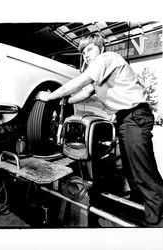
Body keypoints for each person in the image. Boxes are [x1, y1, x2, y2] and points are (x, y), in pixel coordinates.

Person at [36, 34, 163, 227]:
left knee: (142, 169)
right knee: (130, 169)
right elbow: (85, 92)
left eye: (89, 49)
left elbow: (82, 81)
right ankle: (140, 206)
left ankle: (155, 217)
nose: (86, 54)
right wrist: (64, 100)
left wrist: (50, 96)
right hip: (125, 119)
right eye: (83, 52)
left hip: (135, 116)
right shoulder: (100, 72)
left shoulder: (107, 58)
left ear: (100, 48)